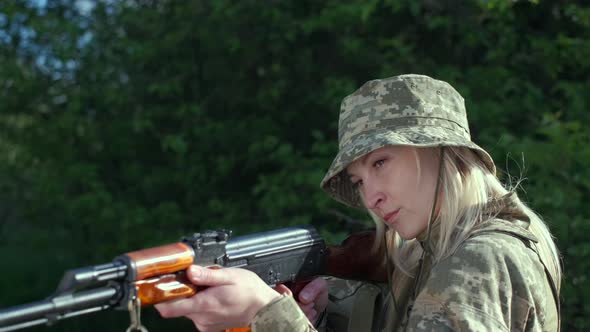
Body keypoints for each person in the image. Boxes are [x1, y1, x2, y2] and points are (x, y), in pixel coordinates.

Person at [155, 74, 561, 331]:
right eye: (359, 180)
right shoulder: (430, 256)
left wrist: (269, 315)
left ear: (443, 152)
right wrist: (323, 311)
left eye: (381, 162)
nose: (371, 196)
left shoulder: (478, 259)